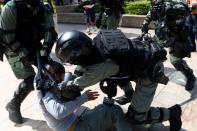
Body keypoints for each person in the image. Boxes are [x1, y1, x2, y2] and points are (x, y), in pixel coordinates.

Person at [55, 29, 182, 131]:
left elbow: (74, 87)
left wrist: (55, 86)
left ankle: (172, 113)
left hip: (150, 70)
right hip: (136, 61)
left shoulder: (101, 66)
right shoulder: (95, 45)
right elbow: (80, 69)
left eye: (71, 59)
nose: (71, 63)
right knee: (115, 75)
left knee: (136, 117)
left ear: (78, 53)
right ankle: (130, 94)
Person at [0, 0, 57, 124]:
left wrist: (45, 52)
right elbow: (7, 37)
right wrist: (24, 53)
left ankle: (57, 98)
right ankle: (13, 104)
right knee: (30, 79)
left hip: (33, 44)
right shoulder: (11, 7)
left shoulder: (43, 7)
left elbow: (50, 31)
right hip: (13, 47)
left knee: (52, 70)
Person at [37, 60, 132, 131]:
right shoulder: (45, 92)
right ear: (55, 76)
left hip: (70, 123)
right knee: (114, 110)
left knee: (101, 107)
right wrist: (83, 98)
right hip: (74, 127)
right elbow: (58, 113)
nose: (61, 82)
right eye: (60, 79)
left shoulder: (43, 82)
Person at [141, 0, 196, 91]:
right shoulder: (155, 5)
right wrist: (145, 24)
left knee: (176, 62)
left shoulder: (176, 5)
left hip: (175, 37)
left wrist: (174, 23)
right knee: (152, 53)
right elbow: (151, 12)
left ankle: (190, 76)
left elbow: (188, 12)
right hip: (161, 35)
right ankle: (151, 75)